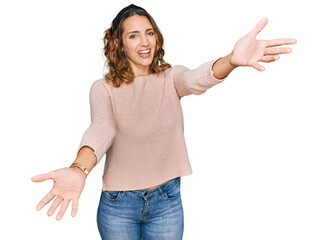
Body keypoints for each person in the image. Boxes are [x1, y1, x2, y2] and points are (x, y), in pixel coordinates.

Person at [31, 3, 297, 240]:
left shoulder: (171, 78)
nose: (144, 42)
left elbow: (196, 79)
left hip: (166, 201)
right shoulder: (104, 88)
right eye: (133, 35)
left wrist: (231, 60)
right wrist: (79, 169)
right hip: (118, 206)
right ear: (118, 44)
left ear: (157, 38)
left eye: (149, 33)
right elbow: (102, 128)